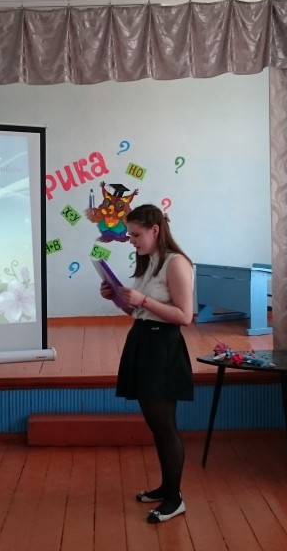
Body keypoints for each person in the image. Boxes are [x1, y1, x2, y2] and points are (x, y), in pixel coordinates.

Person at [99, 203, 194, 524]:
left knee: (165, 425)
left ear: (155, 230)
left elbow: (184, 316)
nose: (132, 241)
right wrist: (116, 298)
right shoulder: (148, 261)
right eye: (129, 235)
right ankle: (166, 487)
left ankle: (175, 498)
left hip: (162, 347)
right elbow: (139, 311)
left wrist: (144, 300)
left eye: (136, 235)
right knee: (156, 423)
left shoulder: (176, 263)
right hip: (143, 340)